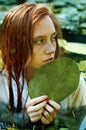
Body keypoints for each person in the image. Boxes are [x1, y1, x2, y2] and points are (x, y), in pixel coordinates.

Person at [0, 2, 86, 130]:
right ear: (15, 46)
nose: (51, 49)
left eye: (53, 37)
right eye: (39, 41)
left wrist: (57, 120)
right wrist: (23, 119)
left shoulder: (73, 81)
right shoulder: (2, 84)